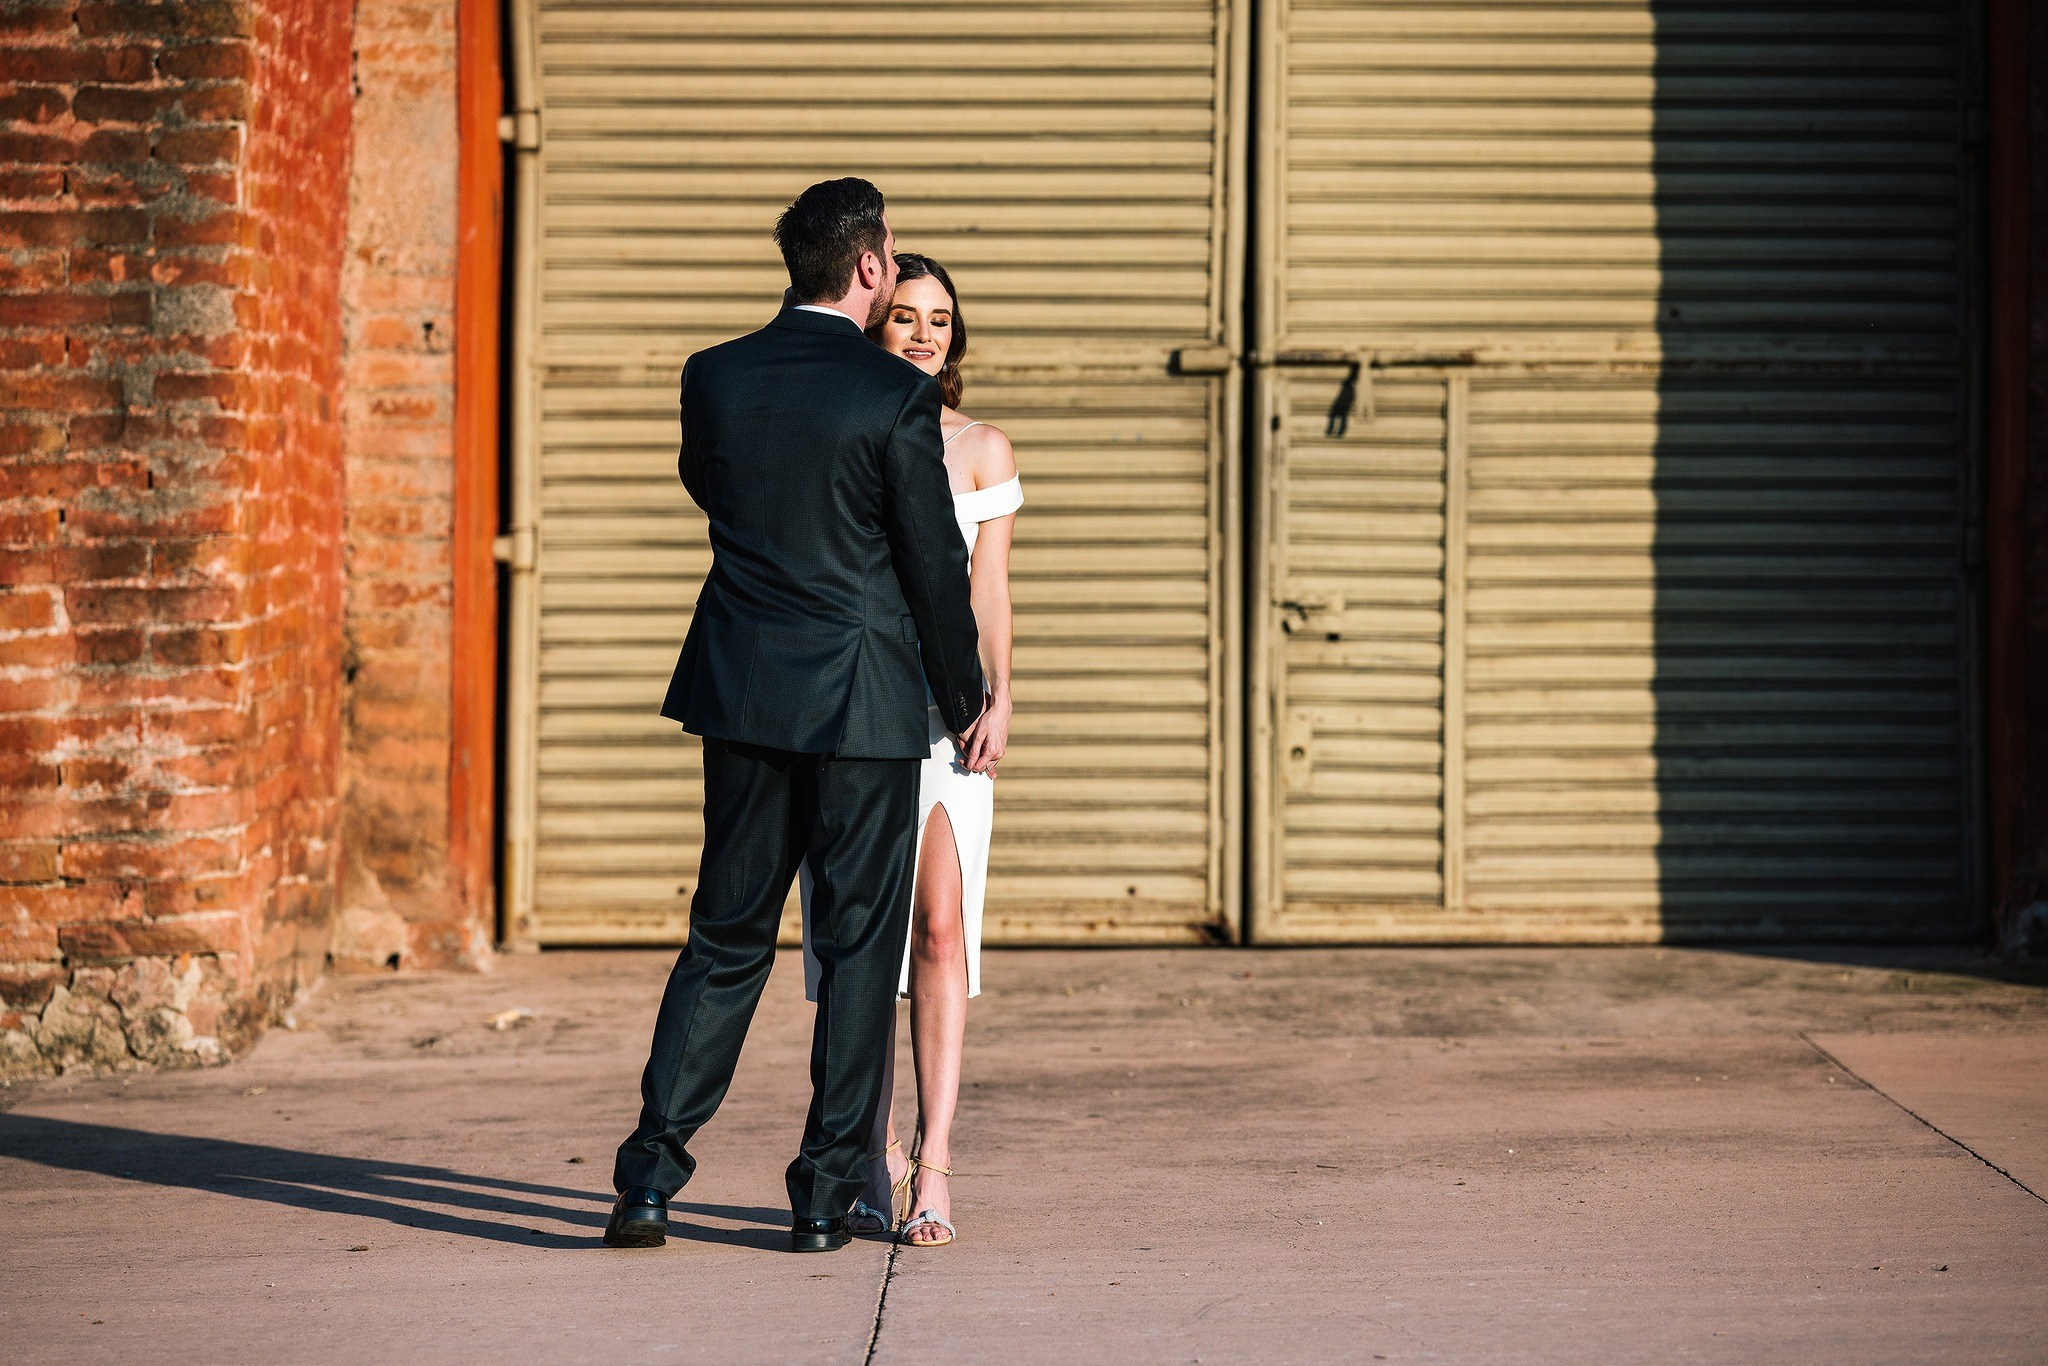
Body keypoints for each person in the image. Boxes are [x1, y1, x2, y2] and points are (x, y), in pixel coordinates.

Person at [605, 178, 995, 1255]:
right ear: (869, 269)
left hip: (740, 690)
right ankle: (822, 1198)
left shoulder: (714, 375)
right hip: (863, 702)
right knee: (861, 945)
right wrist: (966, 701)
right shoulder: (891, 397)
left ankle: (647, 1179)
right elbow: (929, 561)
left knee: (724, 937)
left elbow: (712, 491)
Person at [799, 254, 1020, 1248]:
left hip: (946, 719)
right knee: (863, 948)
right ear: (871, 326)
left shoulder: (978, 447)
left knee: (939, 932)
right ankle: (871, 1155)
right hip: (853, 714)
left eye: (939, 318)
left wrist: (998, 694)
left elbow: (987, 591)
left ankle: (934, 1162)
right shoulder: (840, 433)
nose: (924, 333)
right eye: (904, 315)